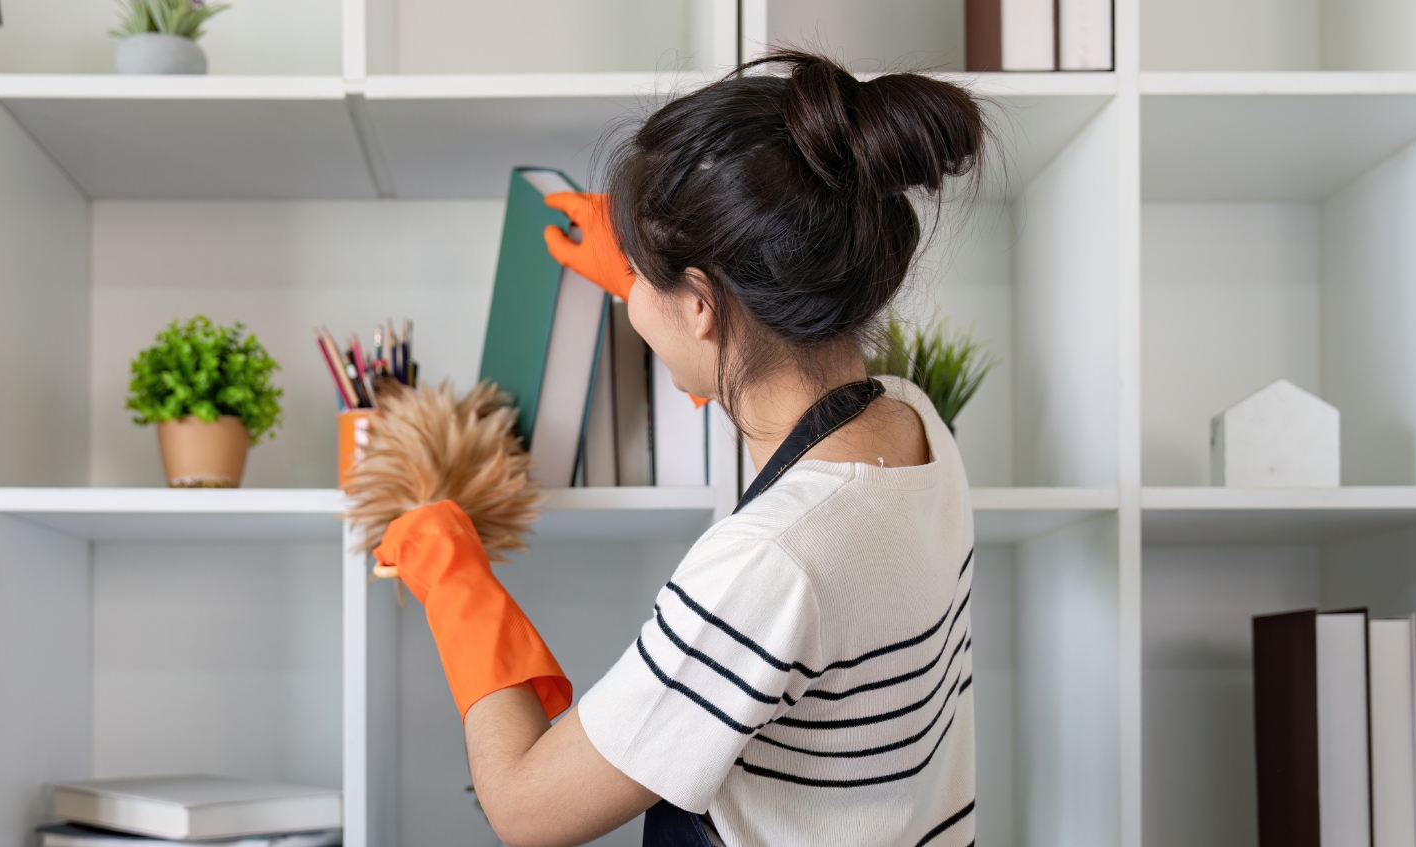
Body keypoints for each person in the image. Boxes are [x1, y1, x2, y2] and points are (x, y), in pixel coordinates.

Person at [372, 48, 988, 847]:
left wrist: (454, 577)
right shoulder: (914, 427)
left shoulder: (768, 566)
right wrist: (661, 282)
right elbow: (778, 397)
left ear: (702, 305)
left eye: (641, 280)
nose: (630, 299)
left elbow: (526, 809)